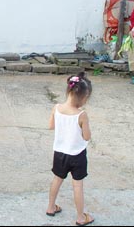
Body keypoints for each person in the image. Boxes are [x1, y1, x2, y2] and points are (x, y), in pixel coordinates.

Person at [46, 72, 94, 226]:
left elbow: (51, 126)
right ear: (84, 96)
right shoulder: (81, 115)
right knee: (77, 185)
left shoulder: (57, 108)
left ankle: (51, 207)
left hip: (59, 153)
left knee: (57, 179)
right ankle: (81, 217)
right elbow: (87, 137)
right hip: (77, 155)